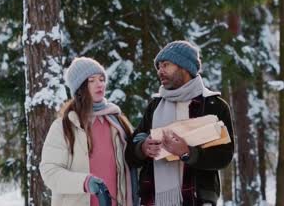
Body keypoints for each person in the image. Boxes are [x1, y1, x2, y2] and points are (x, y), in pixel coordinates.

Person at [126, 41, 235, 206]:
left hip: (197, 200)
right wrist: (142, 148)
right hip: (153, 200)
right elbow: (130, 155)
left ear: (185, 67)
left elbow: (224, 156)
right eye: (158, 67)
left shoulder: (214, 105)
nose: (160, 71)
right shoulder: (154, 107)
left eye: (166, 65)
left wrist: (187, 153)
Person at [40, 57, 138, 206]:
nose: (99, 84)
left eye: (101, 79)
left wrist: (143, 144)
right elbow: (50, 172)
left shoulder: (116, 122)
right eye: (91, 80)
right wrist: (85, 182)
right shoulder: (64, 126)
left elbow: (134, 158)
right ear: (80, 88)